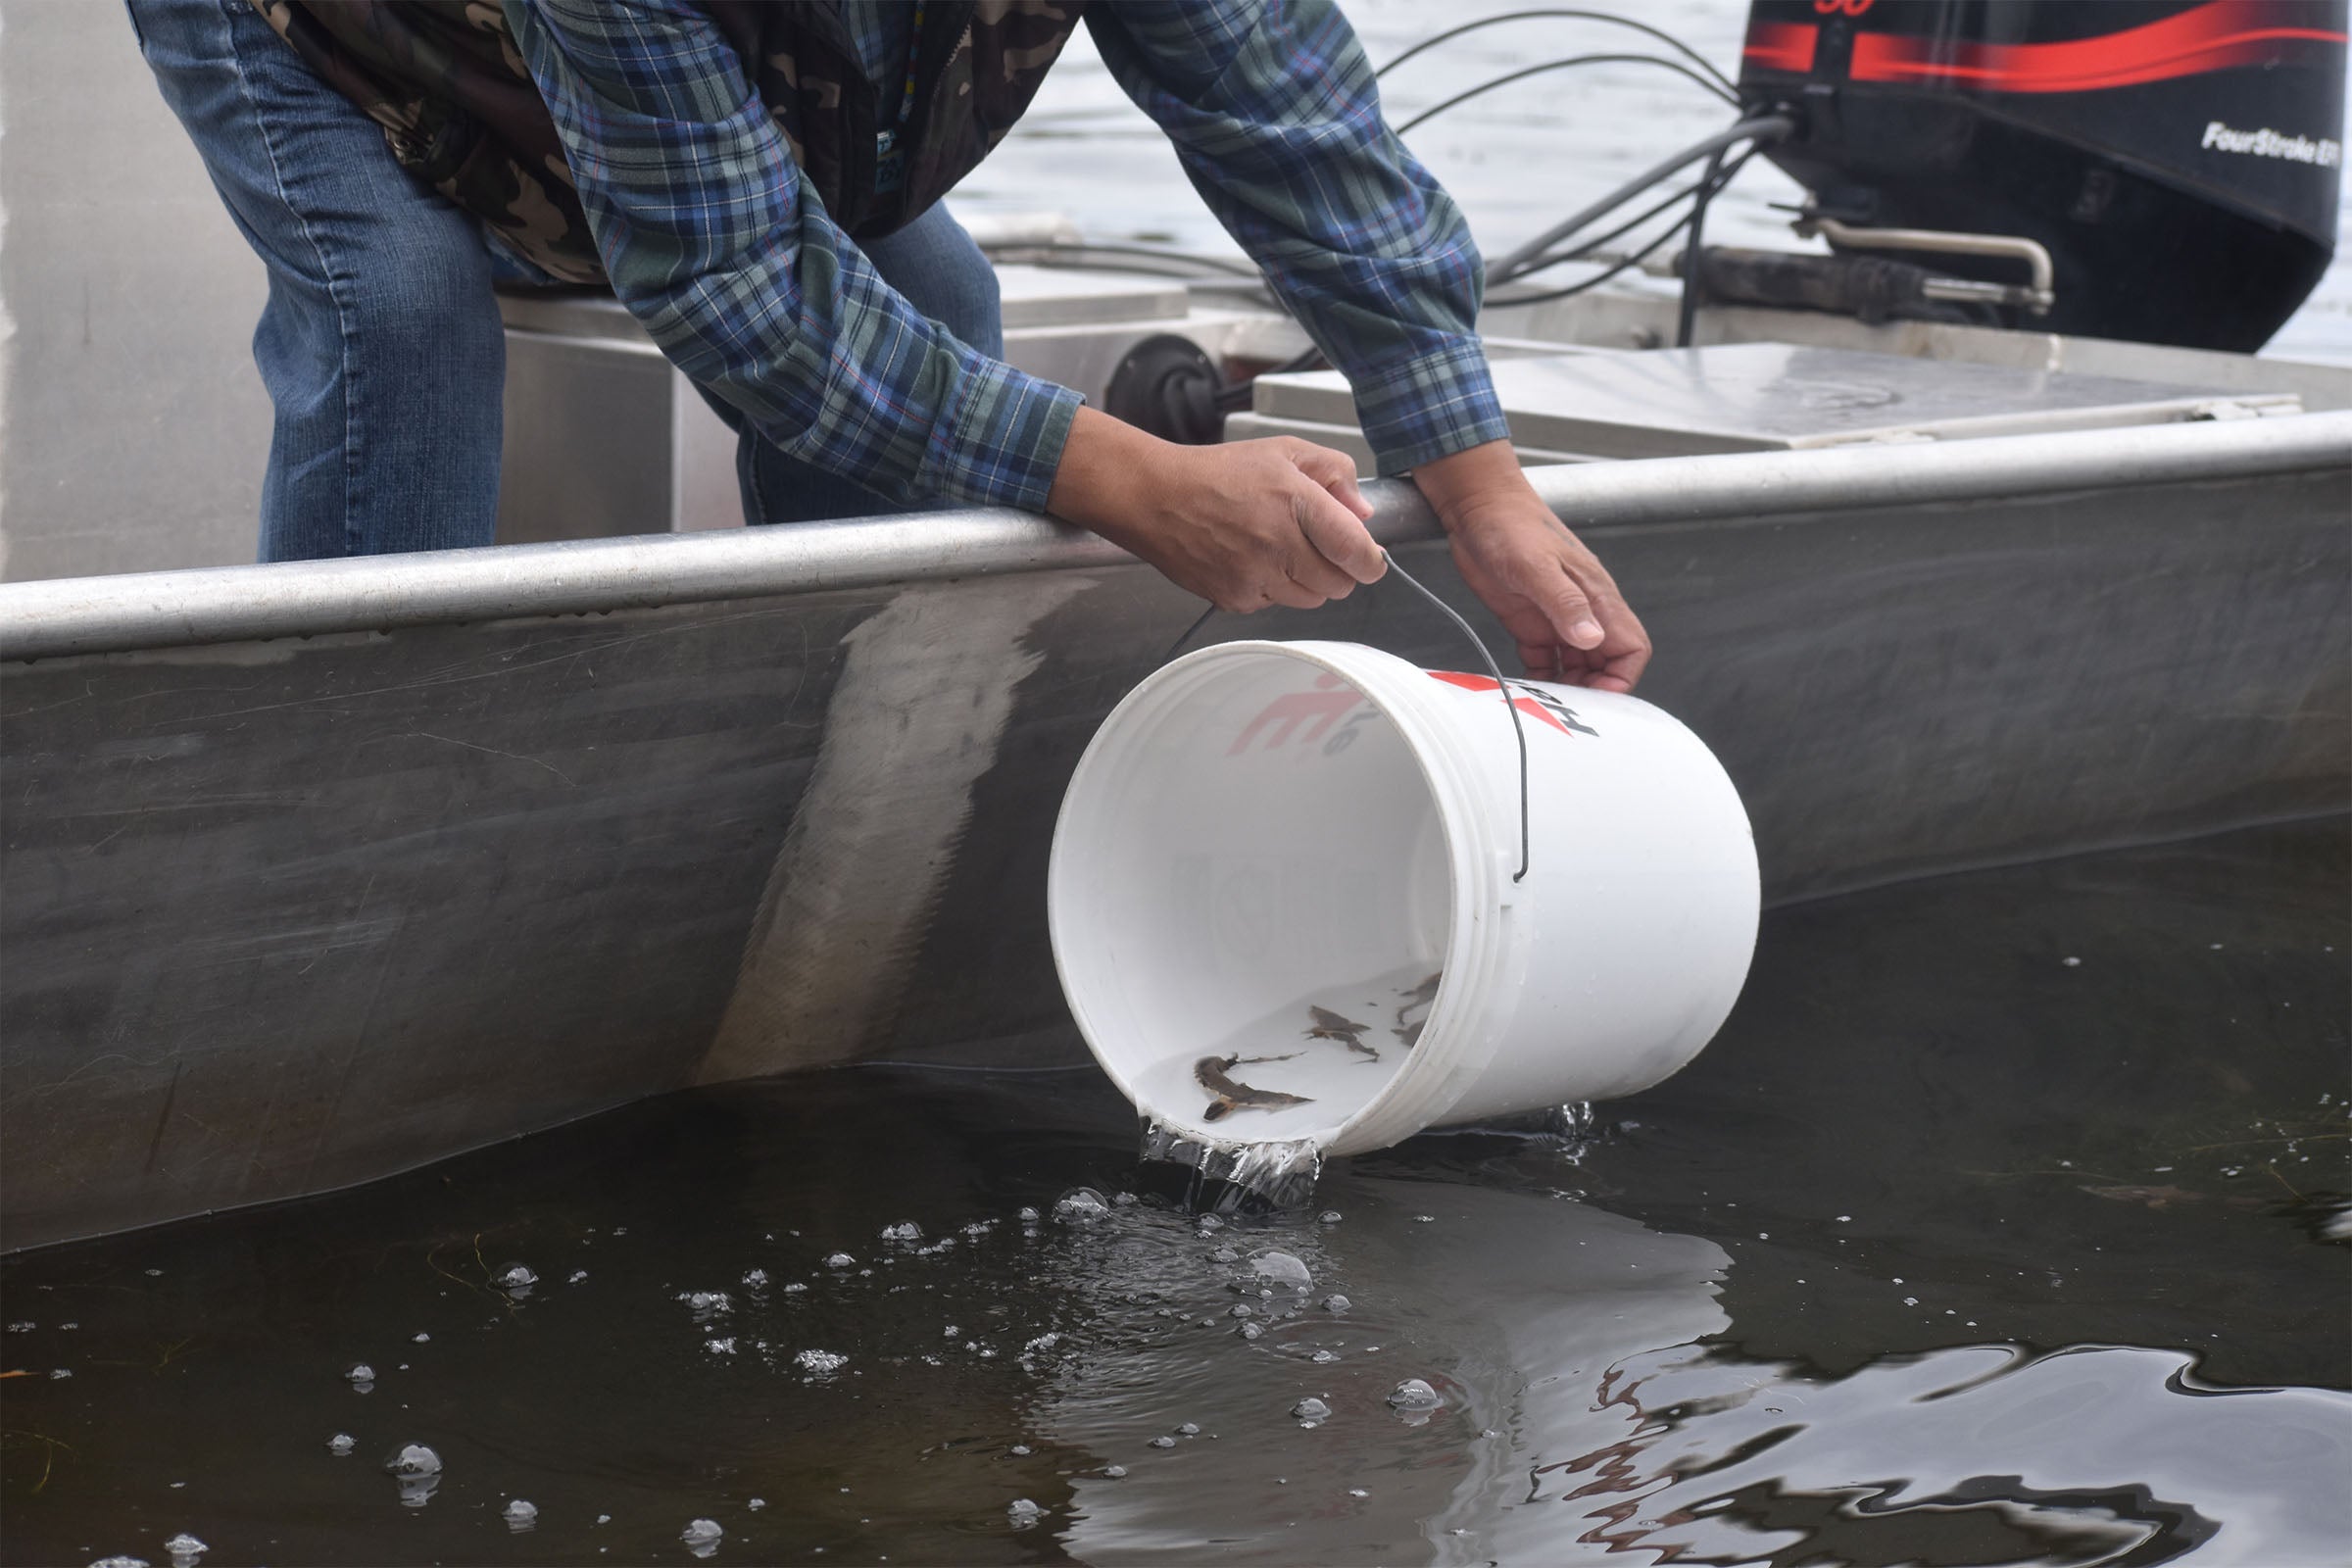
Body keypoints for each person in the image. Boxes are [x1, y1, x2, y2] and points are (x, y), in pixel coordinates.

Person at [127, 0, 1648, 691]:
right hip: (309, 28)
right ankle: (353, 808)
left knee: (937, 308)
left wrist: (1483, 488)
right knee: (399, 308)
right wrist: (1139, 483)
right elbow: (733, 281)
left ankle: (801, 780)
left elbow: (1296, 128)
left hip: (634, 70)